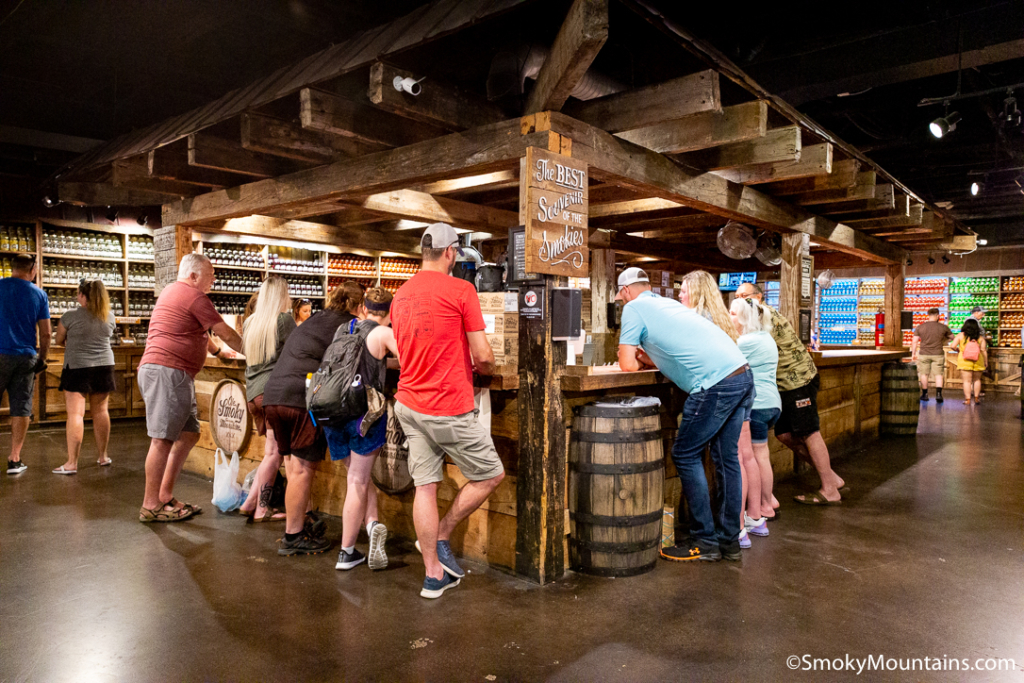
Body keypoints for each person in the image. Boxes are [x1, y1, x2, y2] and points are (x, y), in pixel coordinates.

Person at [392, 223, 505, 598]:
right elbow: (484, 357)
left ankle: (432, 575)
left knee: (425, 487)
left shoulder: (401, 294)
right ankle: (442, 532)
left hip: (409, 403)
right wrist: (487, 370)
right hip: (447, 405)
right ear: (450, 253)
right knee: (490, 474)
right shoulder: (462, 289)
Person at [616, 267, 754, 563]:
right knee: (725, 459)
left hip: (715, 384)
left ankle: (705, 540)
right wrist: (647, 357)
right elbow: (674, 352)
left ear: (626, 292)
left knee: (685, 454)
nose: (621, 303)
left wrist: (638, 358)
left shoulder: (634, 308)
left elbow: (626, 365)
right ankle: (728, 542)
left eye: (620, 298)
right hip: (742, 374)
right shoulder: (668, 304)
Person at [137, 254, 243, 522]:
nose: (214, 279)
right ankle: (150, 505)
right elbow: (225, 332)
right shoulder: (195, 296)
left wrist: (218, 352)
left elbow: (202, 333)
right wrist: (256, 353)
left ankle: (164, 496)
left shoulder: (172, 292)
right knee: (162, 439)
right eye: (211, 273)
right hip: (168, 372)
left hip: (170, 372)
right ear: (194, 276)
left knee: (188, 435)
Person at [263, 281, 364, 556]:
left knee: (291, 465)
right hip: (300, 398)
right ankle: (293, 536)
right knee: (301, 470)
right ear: (358, 305)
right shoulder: (349, 324)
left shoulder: (316, 318)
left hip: (273, 395)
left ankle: (300, 522)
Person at [735, 282, 846, 506]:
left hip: (799, 381)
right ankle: (832, 478)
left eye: (745, 296)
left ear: (759, 297)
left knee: (809, 433)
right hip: (783, 386)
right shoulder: (755, 316)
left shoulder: (764, 316)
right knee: (784, 435)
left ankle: (830, 489)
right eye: (737, 296)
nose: (740, 300)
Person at [324, 287, 400, 572]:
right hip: (363, 416)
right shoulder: (382, 334)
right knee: (357, 480)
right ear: (390, 313)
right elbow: (407, 360)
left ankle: (372, 524)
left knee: (357, 476)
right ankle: (346, 552)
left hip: (333, 414)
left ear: (363, 310)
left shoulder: (344, 328)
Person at [238, 276, 294, 522]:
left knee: (269, 453)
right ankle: (262, 508)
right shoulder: (283, 320)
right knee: (274, 454)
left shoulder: (250, 321)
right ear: (282, 296)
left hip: (252, 394)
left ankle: (250, 502)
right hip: (272, 393)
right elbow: (299, 350)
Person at [729, 296, 781, 549]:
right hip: (772, 402)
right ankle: (764, 504)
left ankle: (760, 506)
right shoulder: (766, 338)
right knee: (761, 455)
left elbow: (724, 360)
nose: (729, 318)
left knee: (751, 458)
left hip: (756, 404)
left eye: (732, 314)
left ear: (744, 318)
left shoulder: (745, 341)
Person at [52, 279, 117, 474]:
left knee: (75, 415)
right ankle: (103, 456)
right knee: (101, 412)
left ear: (82, 296)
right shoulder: (110, 316)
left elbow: (59, 339)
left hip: (77, 368)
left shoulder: (69, 316)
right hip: (104, 366)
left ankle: (72, 463)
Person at [0, 253, 50, 475]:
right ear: (33, 270)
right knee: (21, 408)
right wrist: (42, 359)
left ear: (12, 268)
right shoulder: (39, 294)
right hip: (25, 356)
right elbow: (46, 333)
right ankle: (14, 458)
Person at [679, 270, 738, 341]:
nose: (680, 295)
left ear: (696, 294)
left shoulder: (696, 316)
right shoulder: (720, 316)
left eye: (683, 292)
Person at [911, 307, 953, 402]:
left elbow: (914, 341)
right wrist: (944, 341)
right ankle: (939, 395)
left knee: (924, 374)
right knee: (938, 375)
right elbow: (952, 337)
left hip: (924, 353)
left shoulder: (920, 327)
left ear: (928, 315)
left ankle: (925, 394)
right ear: (938, 316)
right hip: (938, 354)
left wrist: (913, 353)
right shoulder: (943, 327)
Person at [950, 317, 987, 406]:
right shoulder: (980, 337)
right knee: (977, 380)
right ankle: (977, 398)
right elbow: (983, 350)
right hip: (978, 359)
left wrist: (958, 350)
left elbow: (952, 346)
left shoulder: (960, 335)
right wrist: (986, 362)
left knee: (967, 381)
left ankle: (968, 400)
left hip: (964, 359)